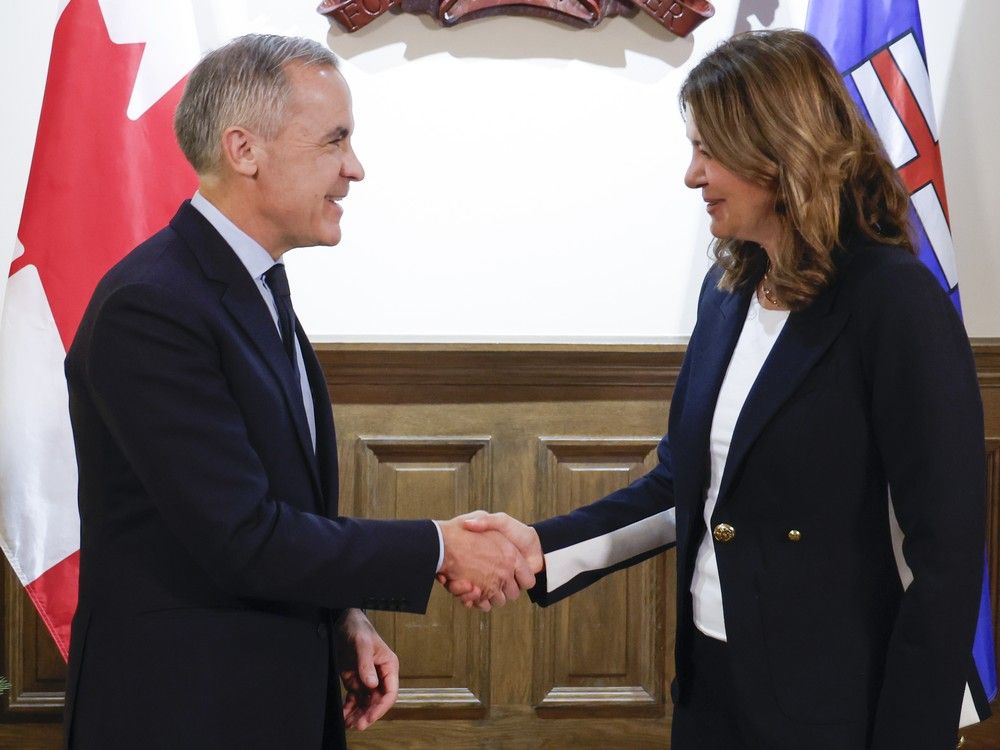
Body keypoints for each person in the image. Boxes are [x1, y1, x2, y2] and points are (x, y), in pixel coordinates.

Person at [456, 29, 986, 750]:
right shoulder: (730, 289)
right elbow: (688, 487)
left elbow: (947, 558)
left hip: (836, 708)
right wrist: (540, 550)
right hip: (712, 692)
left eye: (708, 149)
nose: (692, 175)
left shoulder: (895, 303)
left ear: (777, 149)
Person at [63, 33, 537, 749]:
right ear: (244, 150)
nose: (355, 169)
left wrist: (342, 614)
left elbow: (277, 504)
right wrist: (439, 548)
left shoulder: (249, 285)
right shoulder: (153, 307)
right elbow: (241, 536)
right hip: (184, 711)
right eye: (334, 141)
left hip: (265, 695)